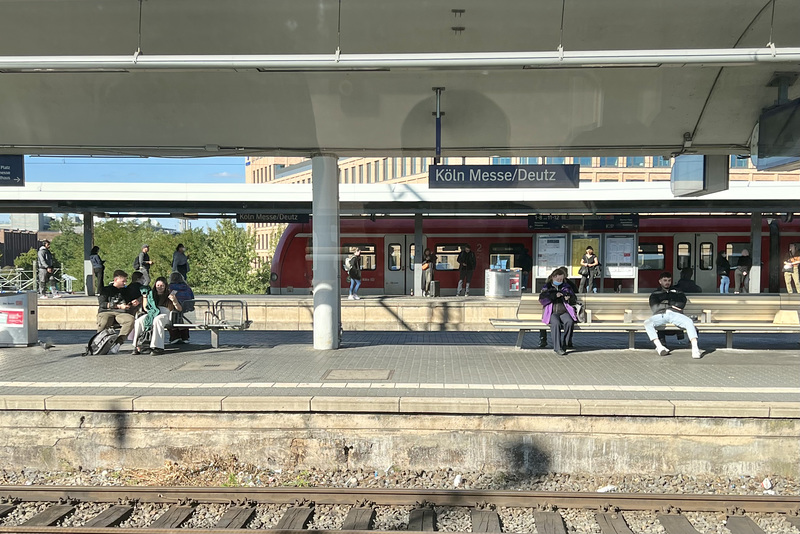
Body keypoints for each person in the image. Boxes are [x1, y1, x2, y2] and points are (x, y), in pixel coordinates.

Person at [644, 271, 702, 359]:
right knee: (647, 323)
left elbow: (682, 302)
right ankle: (659, 347)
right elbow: (654, 307)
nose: (667, 282)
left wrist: (665, 304)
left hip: (675, 314)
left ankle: (695, 348)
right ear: (660, 281)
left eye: (669, 280)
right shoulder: (655, 293)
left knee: (689, 322)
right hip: (661, 315)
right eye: (665, 280)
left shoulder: (677, 291)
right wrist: (671, 305)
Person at [133, 276, 182, 355]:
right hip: (152, 313)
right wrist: (145, 297)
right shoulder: (151, 294)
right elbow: (146, 308)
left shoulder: (170, 295)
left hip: (165, 314)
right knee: (139, 321)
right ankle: (137, 345)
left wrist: (174, 300)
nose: (160, 287)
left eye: (162, 286)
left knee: (157, 320)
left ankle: (157, 347)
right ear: (155, 285)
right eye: (158, 285)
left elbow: (179, 309)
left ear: (165, 286)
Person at [96, 269, 140, 353]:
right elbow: (102, 304)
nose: (125, 283)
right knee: (105, 321)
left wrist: (132, 303)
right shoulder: (106, 290)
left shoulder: (125, 291)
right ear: (116, 280)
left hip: (120, 313)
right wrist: (118, 306)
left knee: (130, 320)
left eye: (125, 281)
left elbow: (127, 303)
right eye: (123, 281)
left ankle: (118, 343)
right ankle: (98, 342)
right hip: (106, 311)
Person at [539, 267, 577, 356]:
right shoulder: (547, 287)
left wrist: (569, 298)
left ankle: (565, 344)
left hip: (564, 311)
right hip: (552, 312)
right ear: (553, 277)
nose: (560, 281)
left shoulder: (566, 286)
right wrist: (554, 296)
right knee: (555, 324)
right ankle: (557, 348)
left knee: (569, 322)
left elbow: (574, 298)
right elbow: (542, 300)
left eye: (561, 279)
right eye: (558, 279)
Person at [168, 271, 194, 343]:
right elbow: (192, 297)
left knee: (172, 319)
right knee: (182, 319)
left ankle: (174, 336)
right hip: (186, 307)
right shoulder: (187, 287)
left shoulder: (170, 287)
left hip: (174, 306)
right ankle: (185, 337)